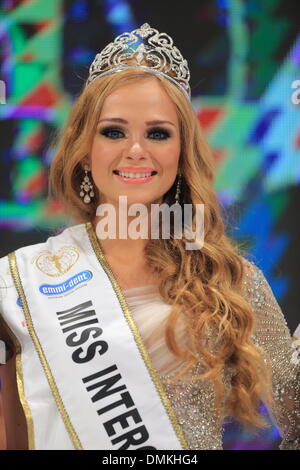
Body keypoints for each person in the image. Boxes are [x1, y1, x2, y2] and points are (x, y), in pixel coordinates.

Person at [0, 23, 299, 451]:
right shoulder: (18, 283)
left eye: (157, 133)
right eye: (113, 131)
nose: (135, 150)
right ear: (85, 150)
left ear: (182, 152)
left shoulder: (230, 282)